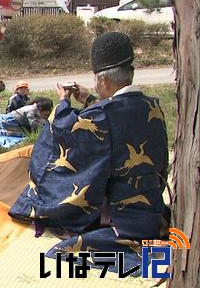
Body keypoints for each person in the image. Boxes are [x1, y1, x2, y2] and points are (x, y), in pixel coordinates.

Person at [9, 32, 169, 262]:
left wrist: (63, 101)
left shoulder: (102, 115)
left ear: (103, 81)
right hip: (152, 207)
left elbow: (63, 130)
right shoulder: (152, 105)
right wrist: (89, 99)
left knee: (62, 252)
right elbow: (117, 120)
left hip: (121, 217)